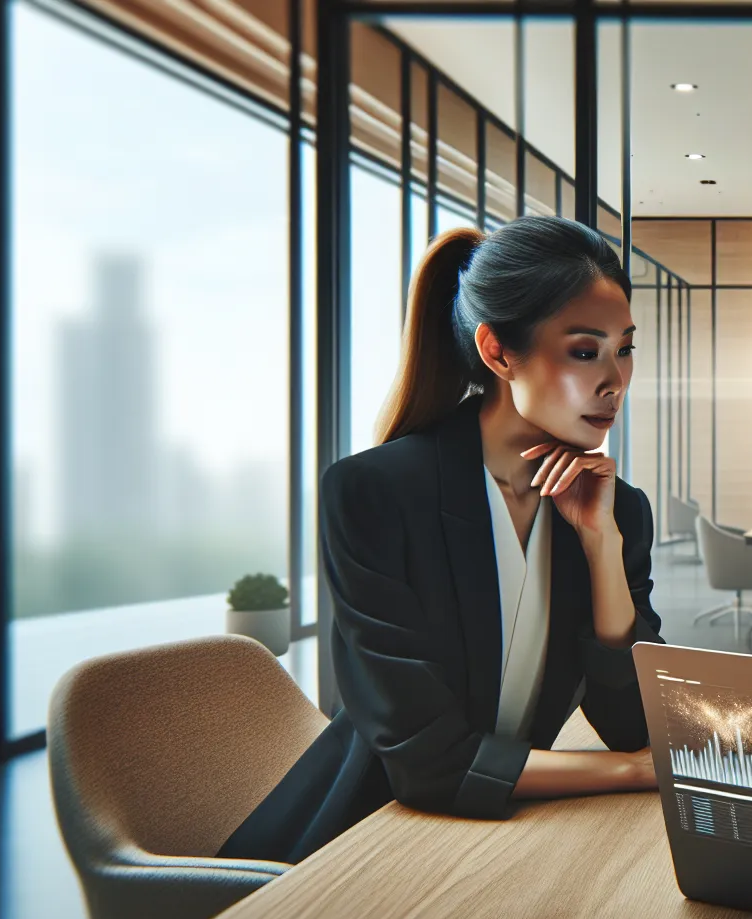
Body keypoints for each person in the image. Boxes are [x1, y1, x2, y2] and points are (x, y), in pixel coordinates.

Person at [220, 218, 662, 864]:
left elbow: (635, 725)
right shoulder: (375, 495)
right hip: (357, 841)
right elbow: (428, 762)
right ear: (498, 352)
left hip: (502, 839)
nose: (615, 380)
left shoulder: (615, 509)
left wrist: (600, 548)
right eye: (584, 351)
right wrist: (625, 774)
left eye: (625, 349)